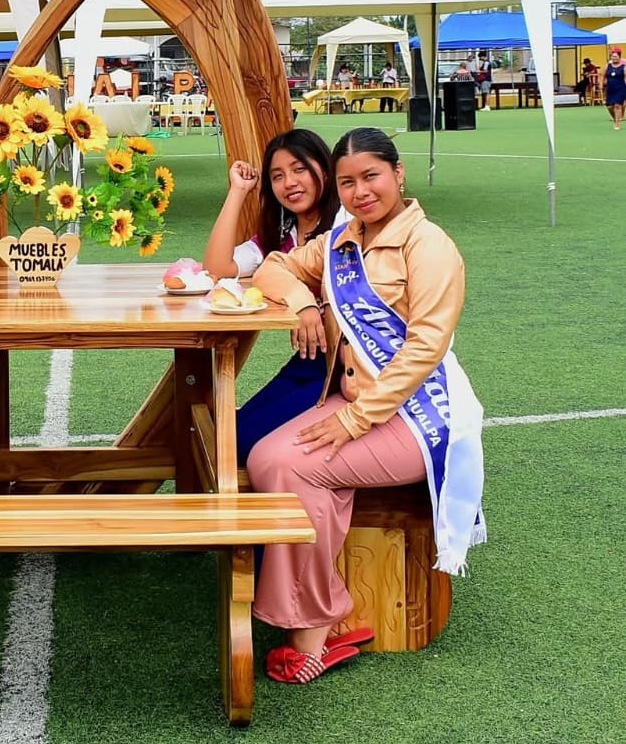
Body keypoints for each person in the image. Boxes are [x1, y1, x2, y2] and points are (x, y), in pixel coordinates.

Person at [247, 126, 486, 685]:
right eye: (348, 182)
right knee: (263, 457)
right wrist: (304, 301)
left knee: (296, 466)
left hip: (417, 417)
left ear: (398, 174)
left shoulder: (429, 245)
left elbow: (425, 347)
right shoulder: (340, 240)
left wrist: (353, 421)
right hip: (356, 405)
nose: (360, 192)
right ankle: (327, 607)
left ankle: (312, 630)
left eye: (371, 176)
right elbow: (273, 267)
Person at [203, 129, 339, 464]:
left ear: (324, 169)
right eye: (277, 176)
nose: (289, 183)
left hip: (346, 365)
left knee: (240, 444)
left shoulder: (346, 223)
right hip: (310, 361)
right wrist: (238, 191)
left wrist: (307, 304)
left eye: (299, 169)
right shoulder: (281, 237)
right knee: (228, 434)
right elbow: (217, 268)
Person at [604, 47, 626, 129]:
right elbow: (602, 75)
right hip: (610, 89)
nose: (614, 58)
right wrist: (601, 84)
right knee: (609, 107)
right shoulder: (608, 66)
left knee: (617, 105)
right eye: (612, 56)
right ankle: (615, 118)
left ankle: (617, 123)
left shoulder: (624, 67)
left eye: (616, 56)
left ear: (619, 57)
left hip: (621, 88)